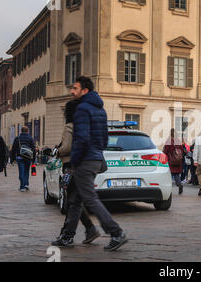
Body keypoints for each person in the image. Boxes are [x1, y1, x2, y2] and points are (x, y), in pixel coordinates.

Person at [55, 76, 128, 251]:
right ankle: (71, 235)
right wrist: (96, 152)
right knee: (75, 199)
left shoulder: (82, 109)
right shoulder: (100, 110)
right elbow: (104, 138)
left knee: (90, 199)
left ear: (84, 90)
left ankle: (116, 232)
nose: (72, 91)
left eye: (75, 88)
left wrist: (75, 161)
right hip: (95, 158)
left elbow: (81, 139)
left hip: (85, 161)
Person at [54, 100, 100, 245]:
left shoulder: (70, 126)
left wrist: (57, 151)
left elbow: (67, 147)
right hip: (89, 166)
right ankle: (90, 229)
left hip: (74, 167)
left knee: (73, 202)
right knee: (75, 200)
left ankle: (68, 236)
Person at [11, 126, 35, 192]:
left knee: (21, 171)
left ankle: (22, 186)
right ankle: (26, 184)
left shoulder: (17, 138)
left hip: (20, 157)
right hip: (28, 158)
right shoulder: (30, 138)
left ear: (21, 131)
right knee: (26, 171)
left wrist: (12, 159)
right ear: (27, 131)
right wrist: (33, 159)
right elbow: (34, 149)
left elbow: (13, 149)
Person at [163, 129, 184, 195]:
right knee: (176, 174)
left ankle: (168, 189)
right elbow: (182, 150)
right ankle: (179, 184)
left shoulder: (169, 141)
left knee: (168, 175)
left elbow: (165, 151)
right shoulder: (178, 141)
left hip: (171, 160)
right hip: (178, 161)